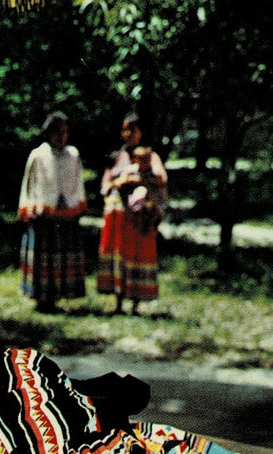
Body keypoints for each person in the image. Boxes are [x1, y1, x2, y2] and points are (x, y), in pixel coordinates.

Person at [96, 114, 168, 316]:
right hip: (118, 215)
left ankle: (136, 303)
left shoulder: (150, 156)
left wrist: (140, 180)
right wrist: (118, 183)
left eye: (134, 129)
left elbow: (161, 178)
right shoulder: (116, 157)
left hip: (139, 216)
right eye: (126, 129)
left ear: (141, 132)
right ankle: (118, 301)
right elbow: (105, 185)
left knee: (137, 255)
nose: (130, 133)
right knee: (119, 253)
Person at [17, 111, 88, 313]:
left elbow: (77, 181)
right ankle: (41, 297)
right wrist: (31, 207)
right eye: (57, 132)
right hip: (43, 213)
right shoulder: (38, 155)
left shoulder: (73, 155)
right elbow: (29, 184)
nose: (62, 137)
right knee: (43, 256)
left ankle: (58, 295)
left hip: (66, 212)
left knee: (62, 256)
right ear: (48, 133)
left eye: (65, 132)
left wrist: (77, 204)